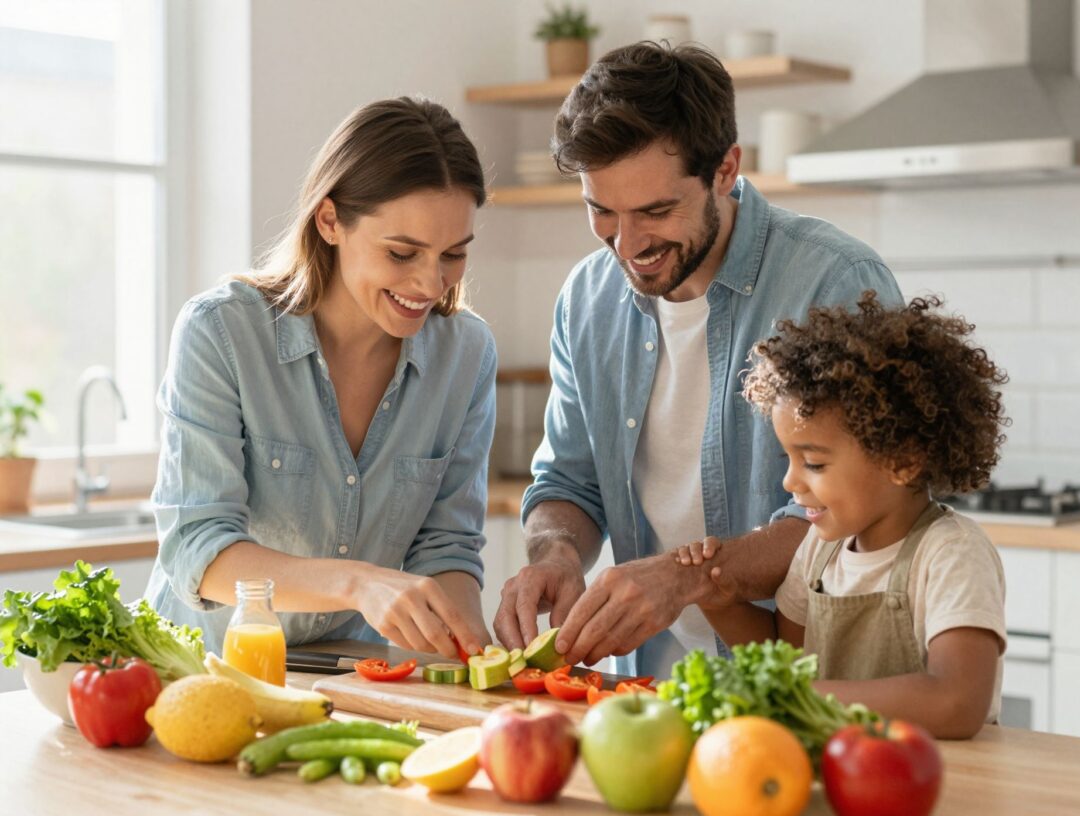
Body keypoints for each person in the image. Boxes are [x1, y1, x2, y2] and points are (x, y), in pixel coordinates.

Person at [493, 42, 903, 678]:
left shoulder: (834, 282)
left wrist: (686, 578)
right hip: (653, 683)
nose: (627, 245)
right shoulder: (587, 298)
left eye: (656, 211)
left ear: (725, 169)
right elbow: (570, 482)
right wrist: (557, 554)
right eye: (601, 211)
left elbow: (860, 513)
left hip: (812, 685)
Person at [148, 97, 496, 659]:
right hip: (200, 672)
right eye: (402, 253)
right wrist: (358, 584)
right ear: (330, 221)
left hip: (348, 678)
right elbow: (200, 550)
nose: (431, 284)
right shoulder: (221, 332)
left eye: (453, 254)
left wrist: (469, 653)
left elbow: (446, 548)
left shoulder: (466, 354)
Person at [676, 293, 1008, 738]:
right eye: (788, 459)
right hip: (847, 768)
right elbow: (790, 662)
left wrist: (799, 698)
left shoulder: (951, 553)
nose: (789, 482)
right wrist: (721, 603)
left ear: (902, 461)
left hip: (942, 773)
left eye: (813, 463)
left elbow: (956, 703)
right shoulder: (820, 549)